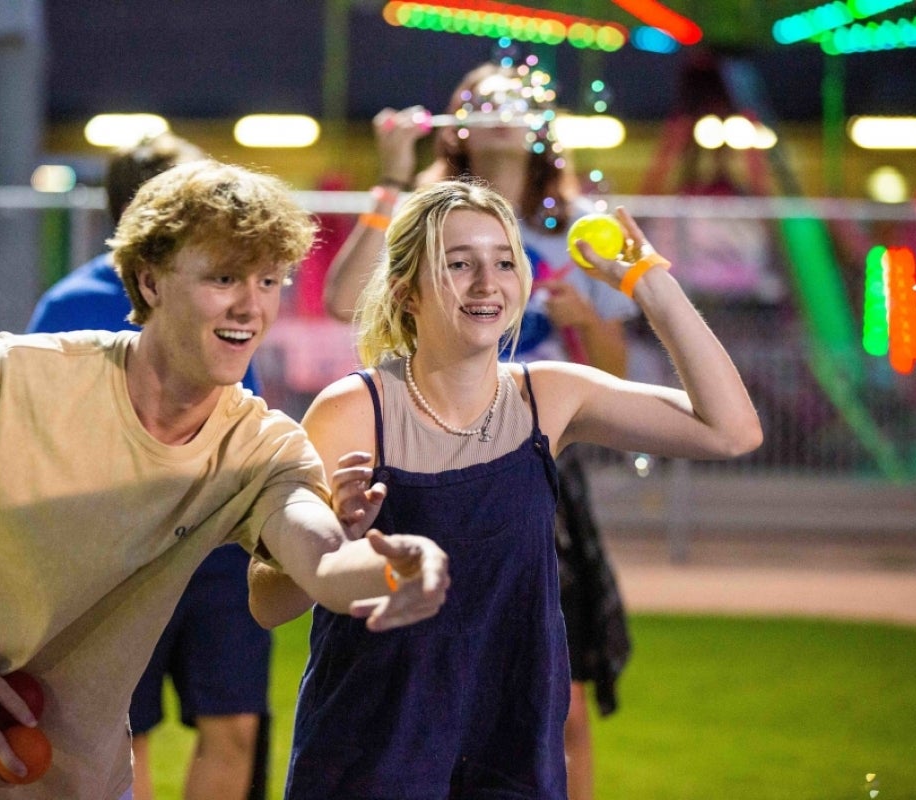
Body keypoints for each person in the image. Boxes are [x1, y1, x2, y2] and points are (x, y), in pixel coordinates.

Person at [0, 159, 451, 800]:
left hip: (83, 779)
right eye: (224, 277)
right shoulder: (10, 380)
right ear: (150, 281)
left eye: (270, 280)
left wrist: (390, 567)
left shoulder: (260, 446)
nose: (251, 304)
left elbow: (317, 559)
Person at [263, 180, 761, 798]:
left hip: (512, 749)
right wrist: (335, 541)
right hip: (371, 751)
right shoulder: (352, 411)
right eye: (458, 263)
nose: (486, 282)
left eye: (504, 261)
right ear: (406, 292)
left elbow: (732, 432)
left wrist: (651, 286)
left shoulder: (547, 396)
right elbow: (265, 600)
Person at [321, 60, 636, 800]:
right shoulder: (426, 211)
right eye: (483, 102)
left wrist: (588, 320)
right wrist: (394, 177)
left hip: (536, 460)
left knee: (559, 691)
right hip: (436, 454)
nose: (488, 279)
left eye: (518, 101)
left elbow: (618, 365)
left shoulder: (577, 220)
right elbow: (344, 299)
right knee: (429, 680)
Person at [26, 132, 273, 800]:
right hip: (118, 553)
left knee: (235, 727)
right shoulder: (68, 307)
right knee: (119, 734)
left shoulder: (232, 295)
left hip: (219, 540)